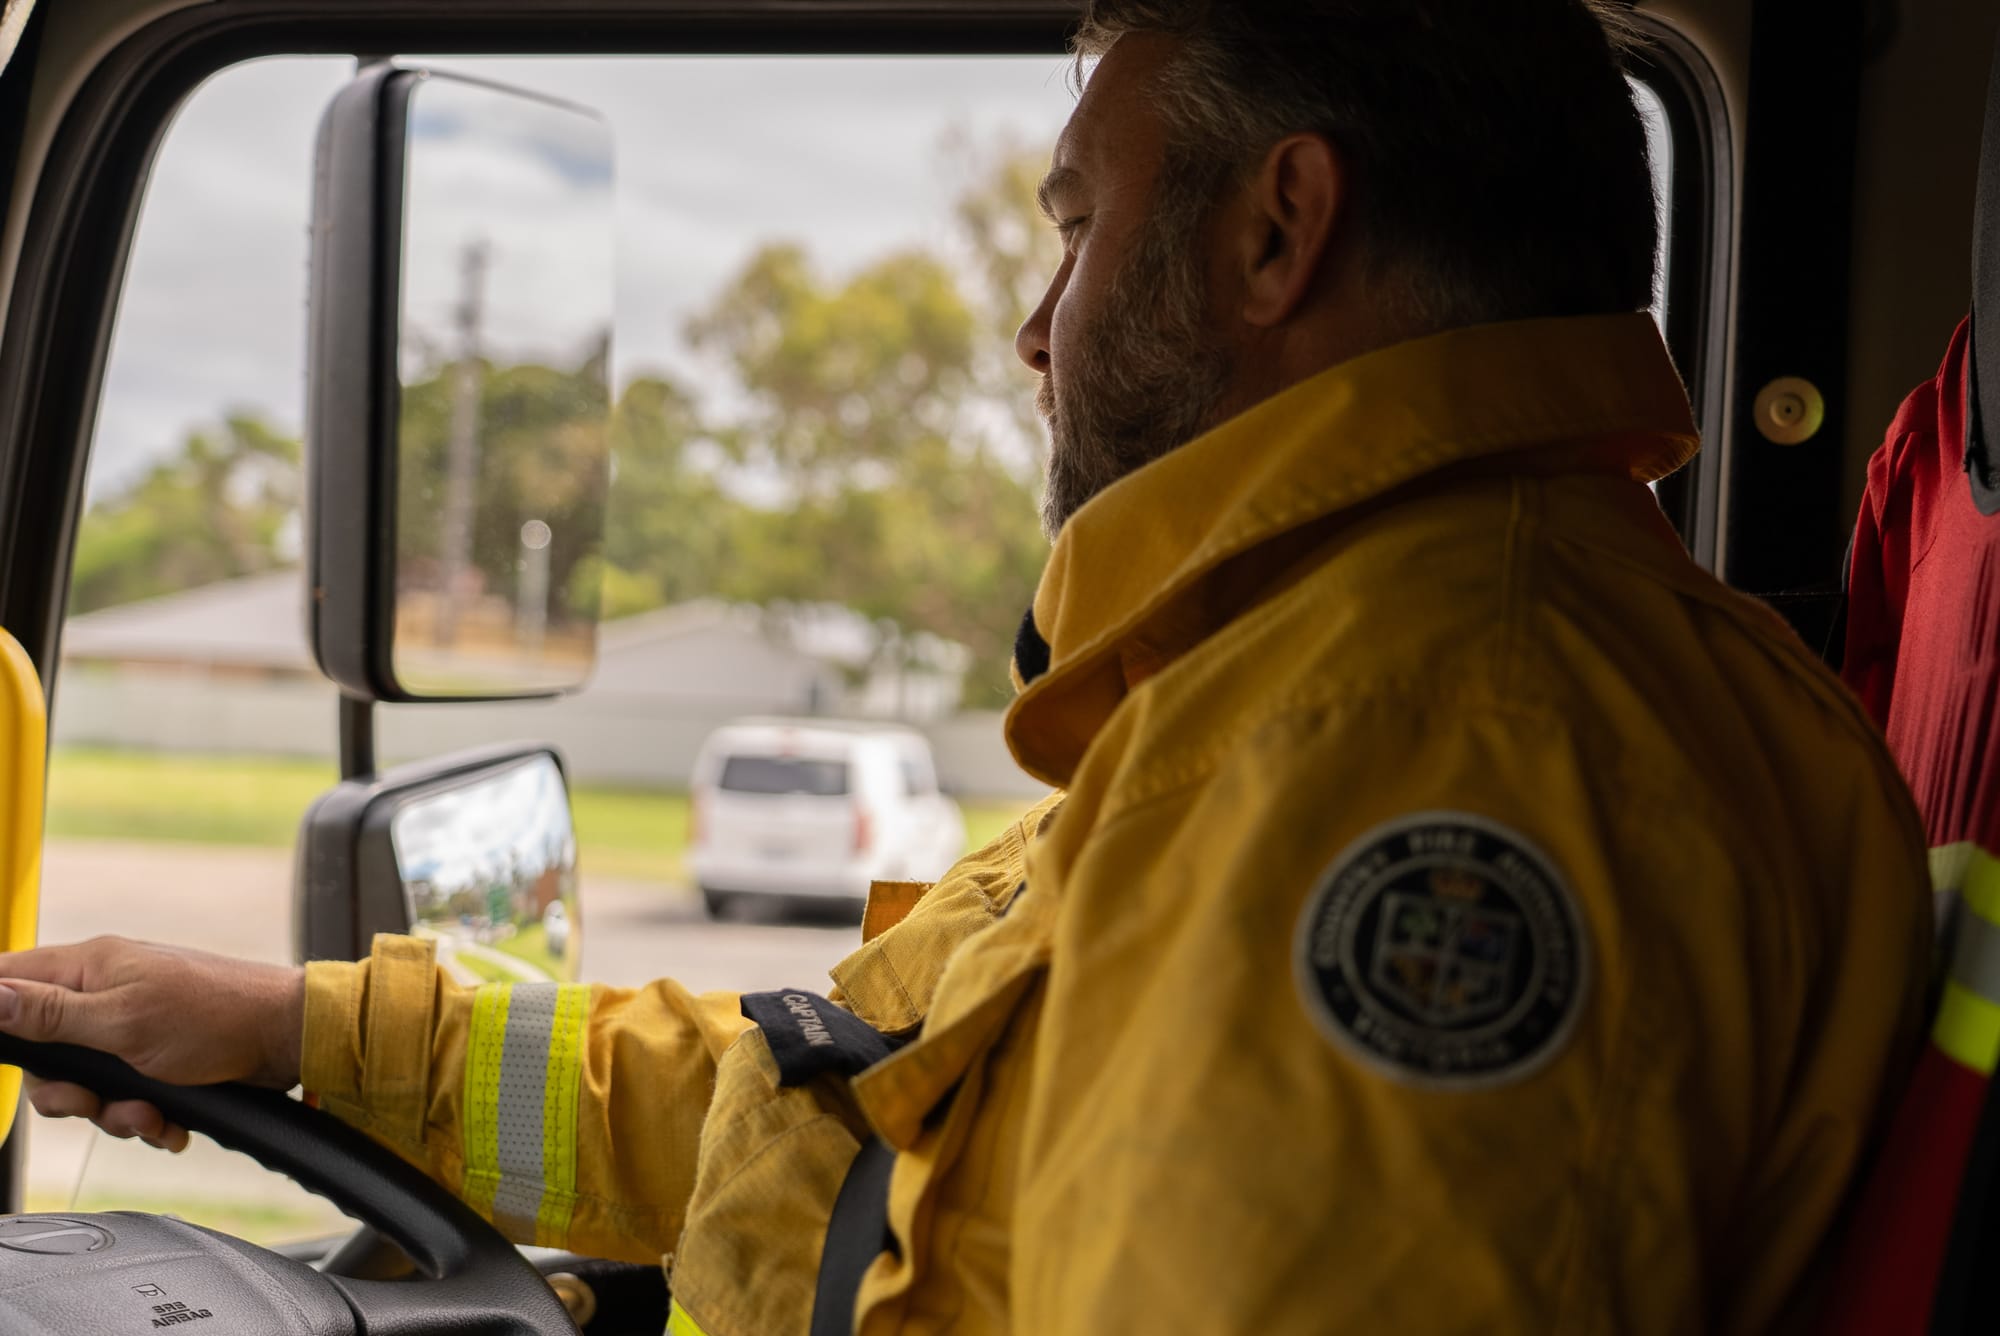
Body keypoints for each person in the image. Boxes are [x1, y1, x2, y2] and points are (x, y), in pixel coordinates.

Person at [0, 3, 1933, 1331]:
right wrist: (297, 1030)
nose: (1034, 329)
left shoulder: (1423, 753)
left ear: (1280, 229)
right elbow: (826, 1103)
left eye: (1081, 231)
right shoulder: (1307, 688)